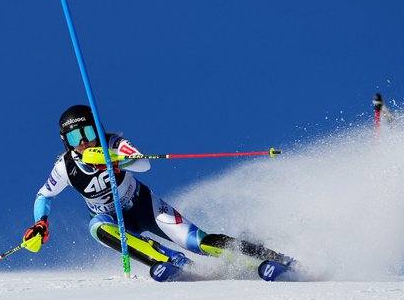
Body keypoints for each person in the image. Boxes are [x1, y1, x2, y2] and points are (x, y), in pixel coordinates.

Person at [23, 104, 288, 271]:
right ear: (66, 142)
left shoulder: (113, 144)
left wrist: (116, 162)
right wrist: (41, 224)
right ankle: (168, 260)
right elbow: (43, 196)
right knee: (96, 228)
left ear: (98, 131)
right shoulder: (65, 167)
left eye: (88, 134)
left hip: (143, 206)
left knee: (198, 242)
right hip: (110, 218)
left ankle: (269, 257)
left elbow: (144, 165)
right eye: (74, 138)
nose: (83, 142)